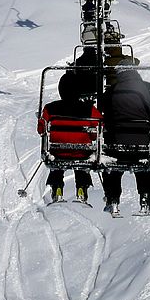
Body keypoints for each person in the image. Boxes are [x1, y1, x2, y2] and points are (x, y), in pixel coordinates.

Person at [100, 57, 150, 215]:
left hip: (115, 144)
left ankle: (112, 199)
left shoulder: (111, 91)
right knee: (146, 162)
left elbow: (101, 111)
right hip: (143, 143)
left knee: (112, 164)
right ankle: (146, 198)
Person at [38, 71, 101, 203]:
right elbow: (98, 129)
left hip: (58, 150)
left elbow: (41, 129)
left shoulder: (50, 108)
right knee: (82, 164)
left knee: (57, 163)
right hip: (82, 151)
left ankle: (57, 189)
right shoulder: (89, 109)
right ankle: (81, 189)